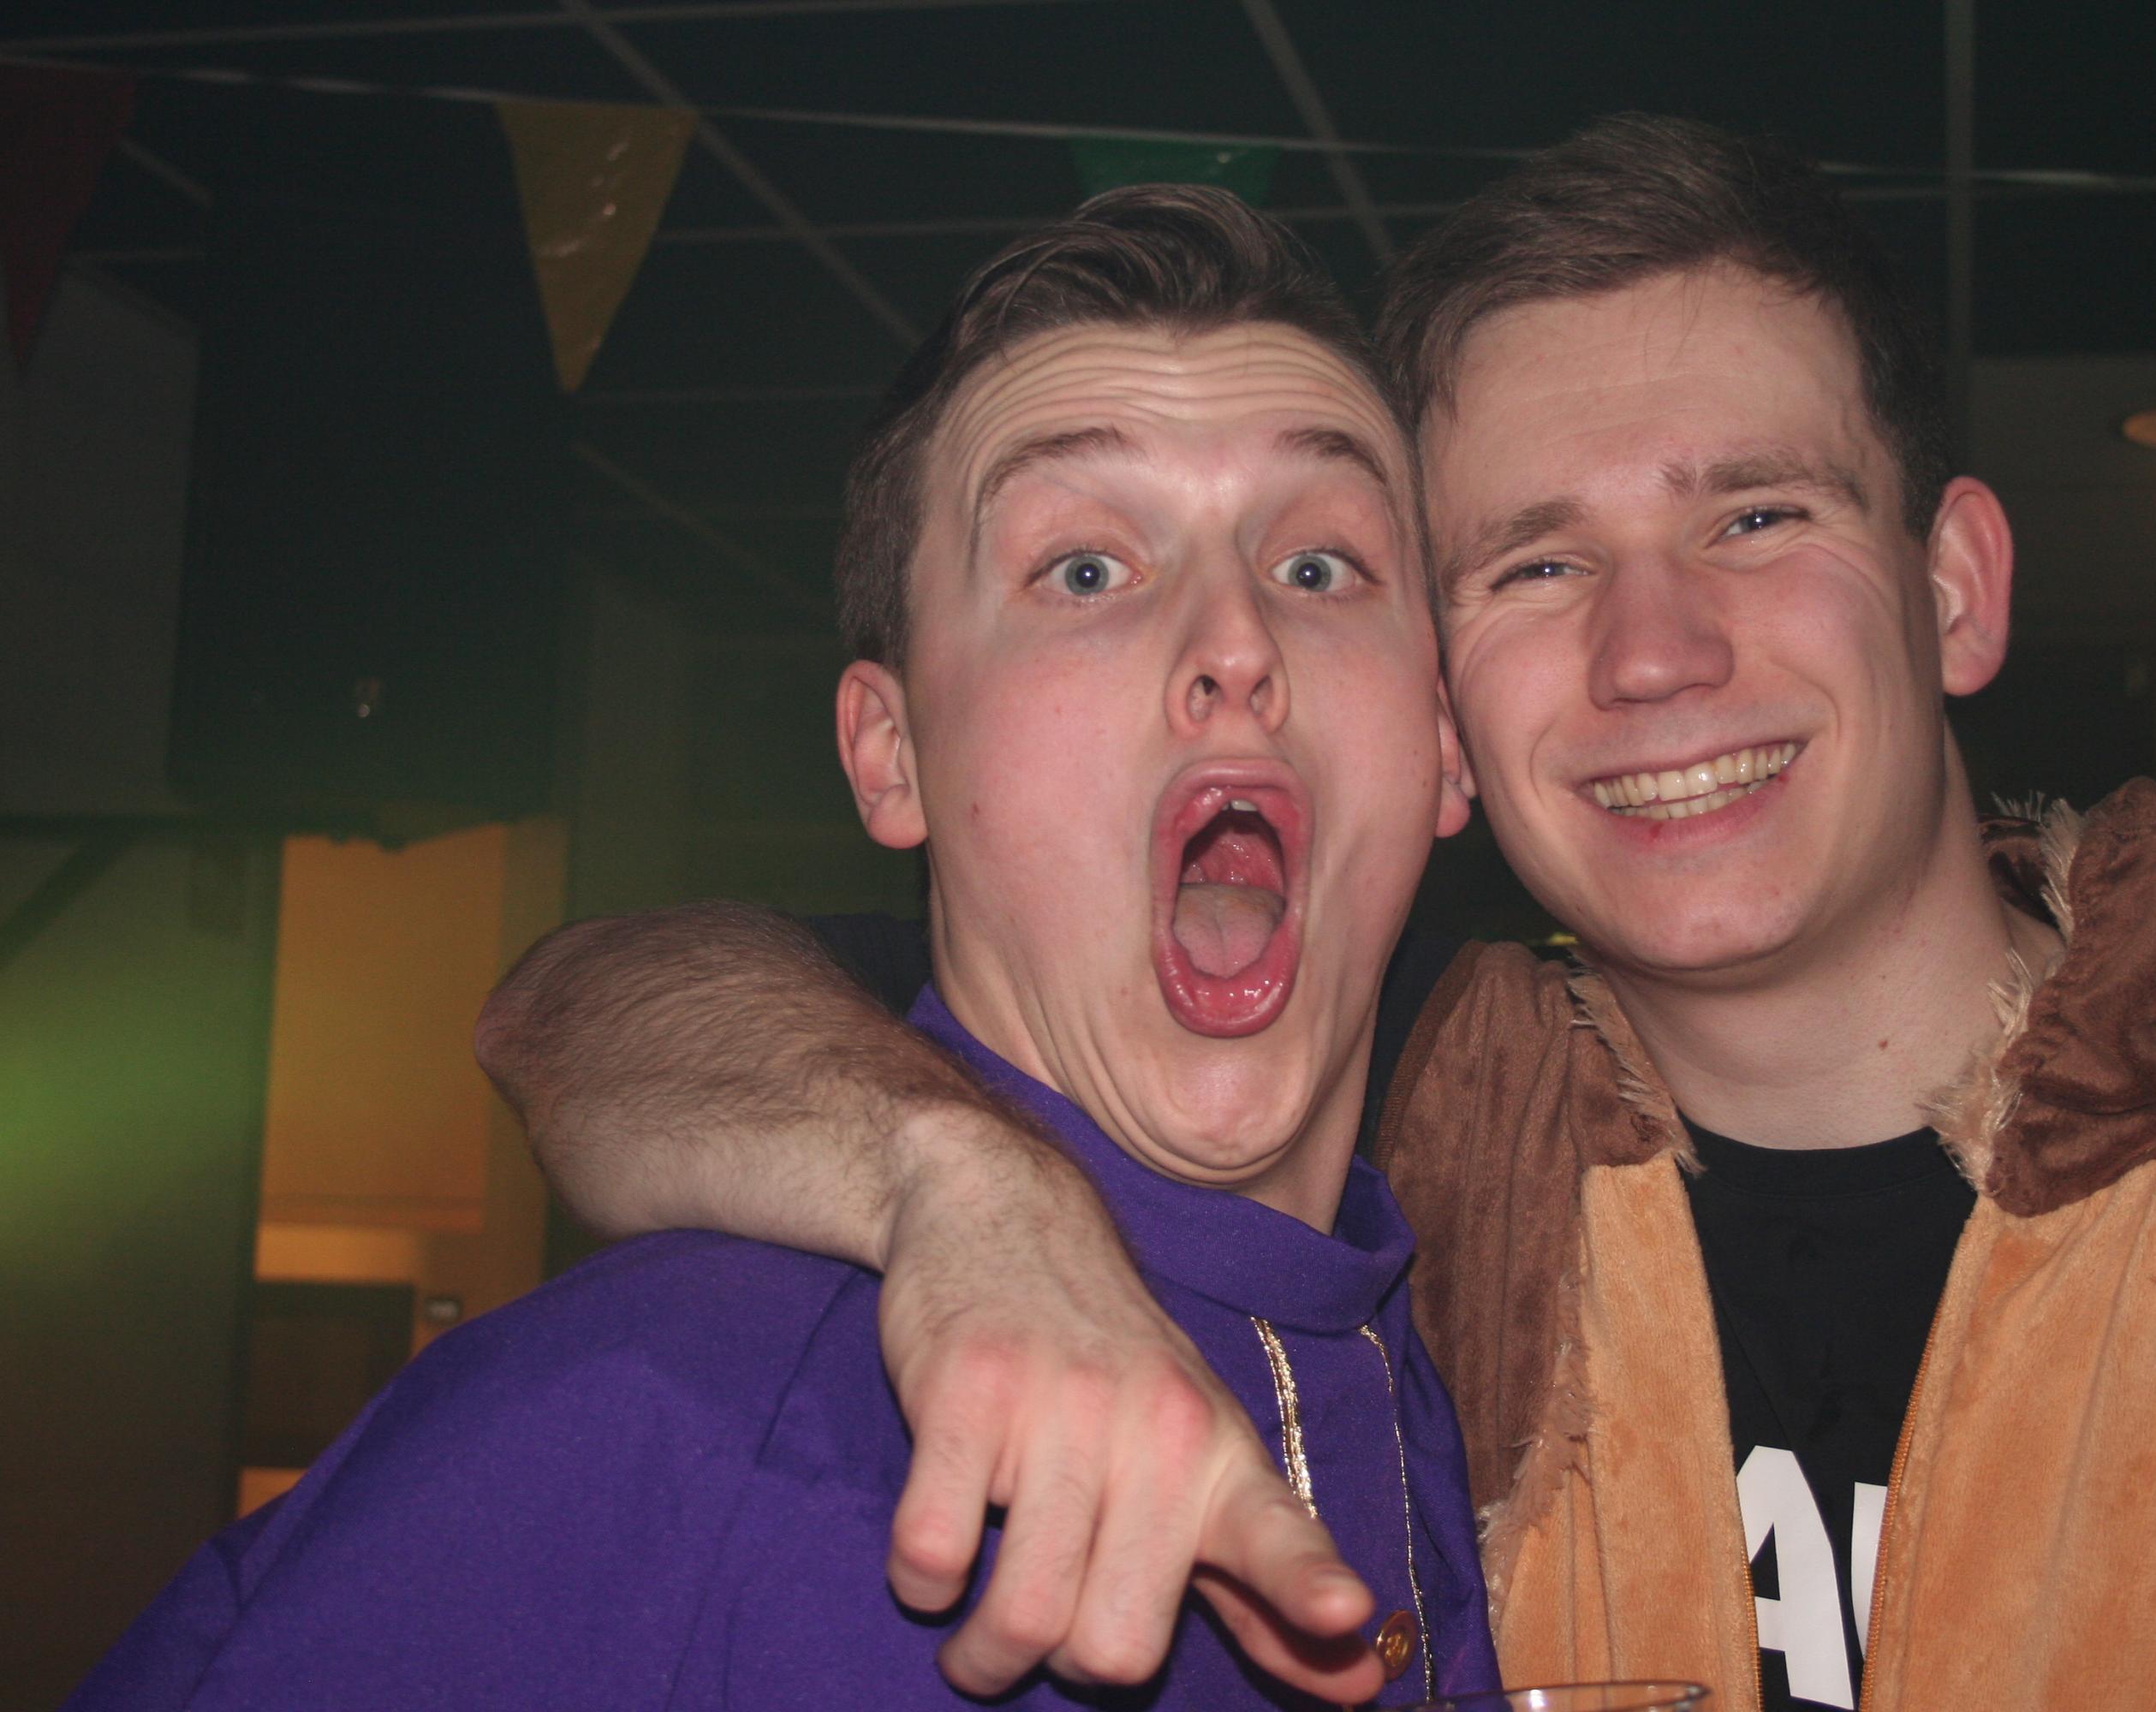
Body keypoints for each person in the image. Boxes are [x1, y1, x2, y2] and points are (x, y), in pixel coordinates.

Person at [479, 120, 2156, 1712]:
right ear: (1448, 724)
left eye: (1756, 513)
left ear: (1952, 588)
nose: (1657, 652)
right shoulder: (1409, 1146)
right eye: (1538, 563)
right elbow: (597, 999)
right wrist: (960, 1184)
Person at [69, 185, 1499, 1711]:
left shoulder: (1482, 1365)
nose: (1237, 642)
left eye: (1319, 566)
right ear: (891, 754)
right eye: (1085, 569)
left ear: (1442, 741)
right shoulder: (650, 1424)